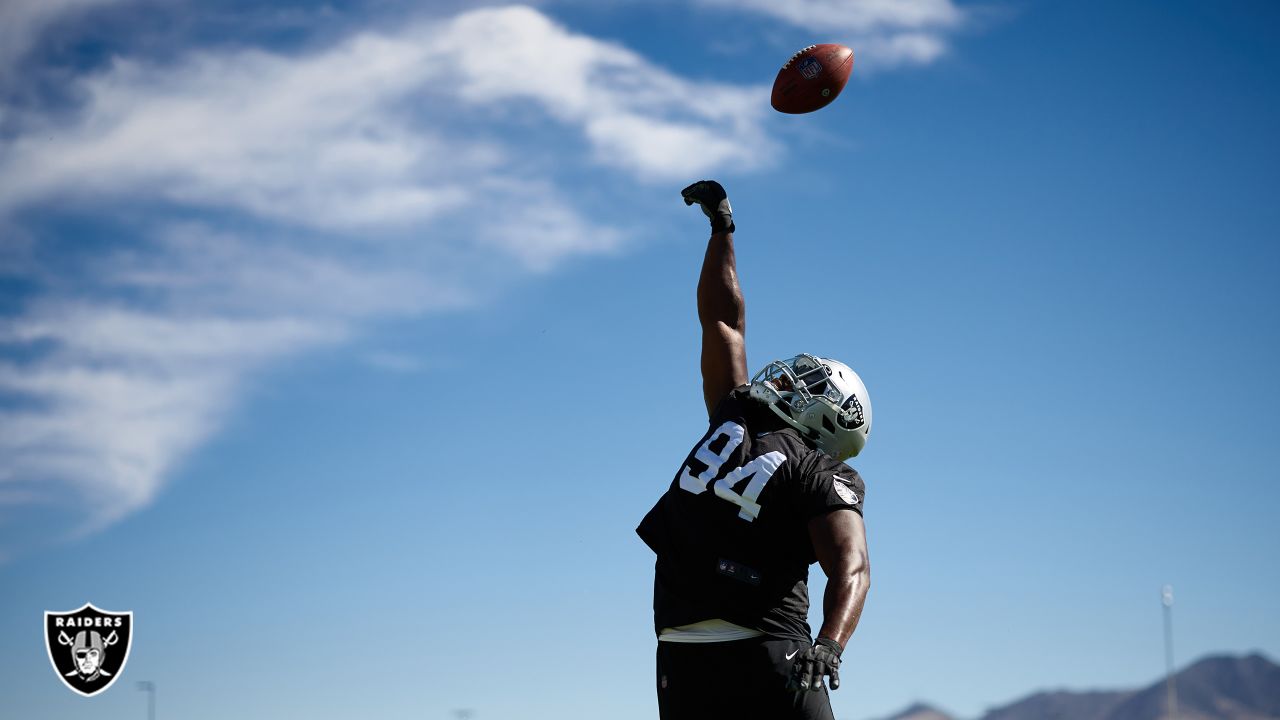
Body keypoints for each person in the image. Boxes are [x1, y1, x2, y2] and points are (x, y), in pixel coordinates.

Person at [636, 180, 873, 720]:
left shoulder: (819, 469)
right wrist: (722, 227)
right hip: (687, 655)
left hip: (755, 651)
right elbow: (722, 320)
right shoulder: (738, 413)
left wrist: (830, 643)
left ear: (829, 418)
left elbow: (852, 566)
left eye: (811, 386)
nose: (792, 381)